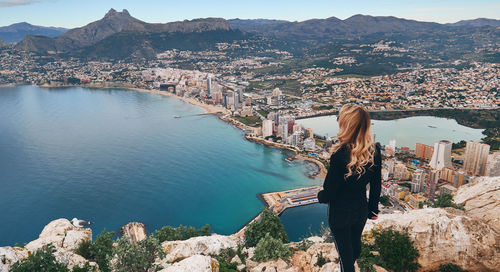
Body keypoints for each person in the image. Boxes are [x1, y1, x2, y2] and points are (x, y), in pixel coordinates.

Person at [317, 104, 382, 272]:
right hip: (360, 211)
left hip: (340, 214)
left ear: (346, 125)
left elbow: (330, 191)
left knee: (346, 259)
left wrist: (320, 196)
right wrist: (373, 209)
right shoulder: (374, 151)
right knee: (354, 248)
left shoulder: (339, 155)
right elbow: (376, 184)